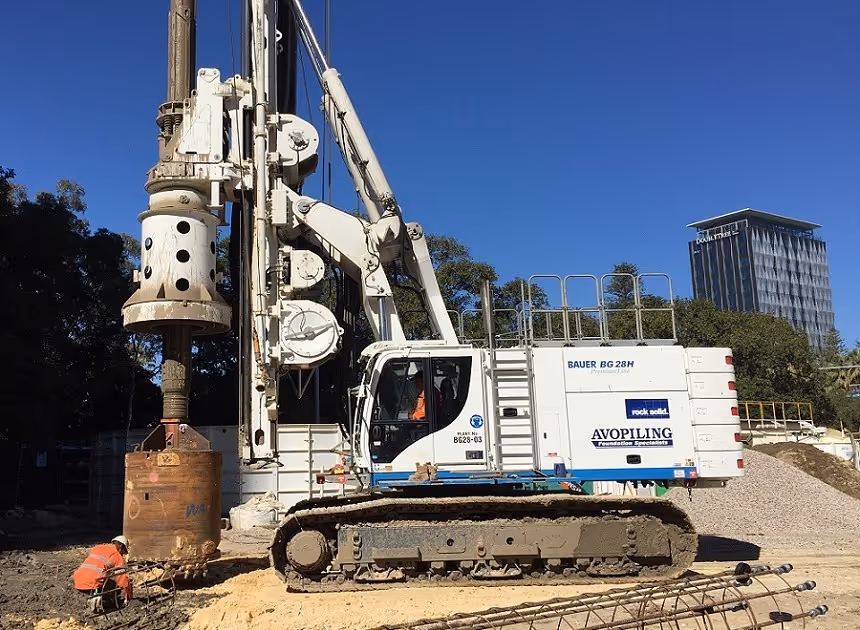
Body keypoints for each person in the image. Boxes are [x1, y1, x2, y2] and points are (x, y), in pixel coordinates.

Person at [73, 535, 133, 613]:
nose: (122, 555)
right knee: (116, 589)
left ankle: (94, 596)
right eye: (123, 552)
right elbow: (122, 580)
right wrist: (129, 596)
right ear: (121, 546)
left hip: (78, 579)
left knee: (107, 582)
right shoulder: (117, 556)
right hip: (93, 583)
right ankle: (101, 602)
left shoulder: (98, 547)